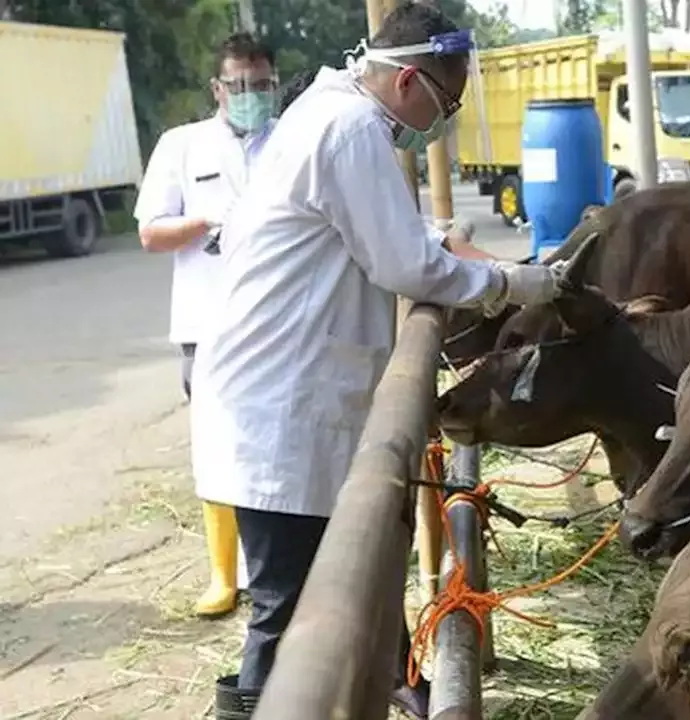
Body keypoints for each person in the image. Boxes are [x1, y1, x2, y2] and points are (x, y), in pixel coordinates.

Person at [188, 3, 563, 718]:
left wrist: (443, 235)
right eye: (444, 102)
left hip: (292, 399)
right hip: (279, 411)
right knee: (291, 610)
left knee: (354, 582)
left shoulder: (330, 112)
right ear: (408, 80)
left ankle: (403, 687)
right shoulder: (350, 126)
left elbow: (375, 224)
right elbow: (404, 264)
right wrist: (511, 284)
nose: (441, 120)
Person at [132, 31, 280, 621]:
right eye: (239, 85)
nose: (252, 95)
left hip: (277, 325)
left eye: (262, 85)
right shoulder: (182, 146)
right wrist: (207, 219)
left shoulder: (291, 143)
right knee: (218, 449)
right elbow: (149, 233)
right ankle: (225, 574)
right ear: (218, 89)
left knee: (275, 447)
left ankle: (271, 562)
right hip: (207, 326)